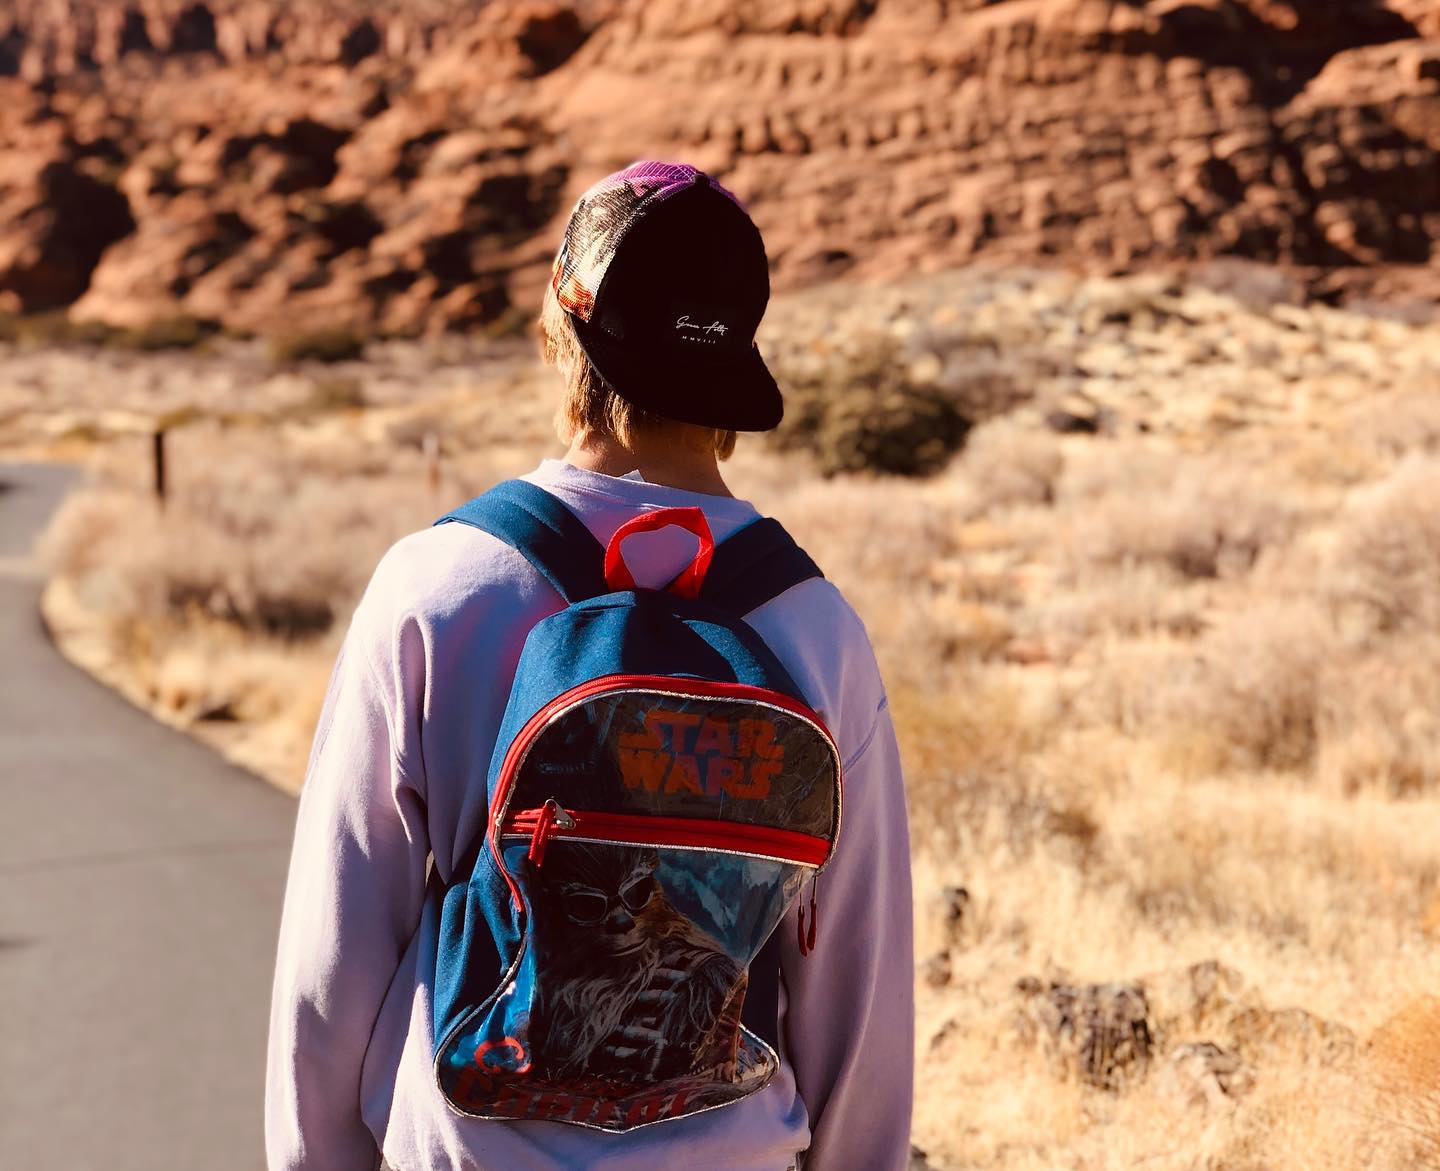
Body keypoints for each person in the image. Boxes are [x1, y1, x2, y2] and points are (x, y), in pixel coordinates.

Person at [265, 160, 914, 1171]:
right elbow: (857, 989)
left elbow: (334, 948)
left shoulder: (438, 586)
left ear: (564, 324)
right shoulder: (813, 625)